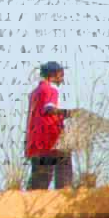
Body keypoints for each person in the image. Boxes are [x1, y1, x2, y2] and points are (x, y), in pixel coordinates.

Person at [24, 62, 70, 190]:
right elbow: (48, 108)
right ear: (52, 75)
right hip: (49, 140)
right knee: (64, 161)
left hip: (35, 141)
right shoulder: (50, 90)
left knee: (39, 178)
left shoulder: (34, 92)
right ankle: (63, 194)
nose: (62, 79)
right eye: (61, 75)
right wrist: (66, 113)